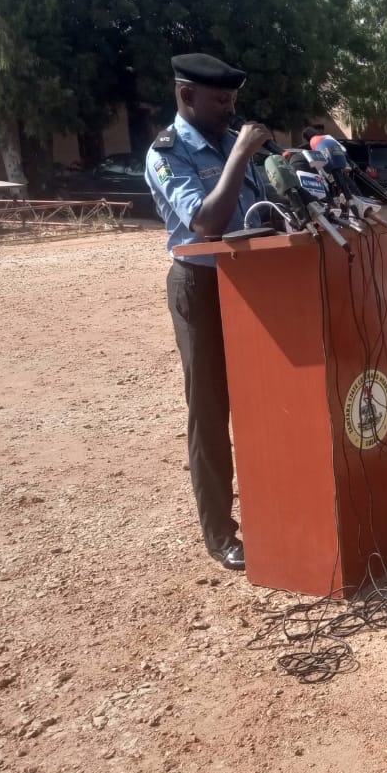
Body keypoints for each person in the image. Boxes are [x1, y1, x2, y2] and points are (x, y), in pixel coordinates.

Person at [145, 53, 273, 571]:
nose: (230, 110)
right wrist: (242, 154)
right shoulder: (167, 152)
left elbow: (264, 217)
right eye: (221, 101)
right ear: (186, 96)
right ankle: (221, 533)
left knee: (265, 405)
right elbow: (205, 223)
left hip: (258, 285)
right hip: (200, 286)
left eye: (233, 101)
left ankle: (277, 513)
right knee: (211, 412)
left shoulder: (225, 141)